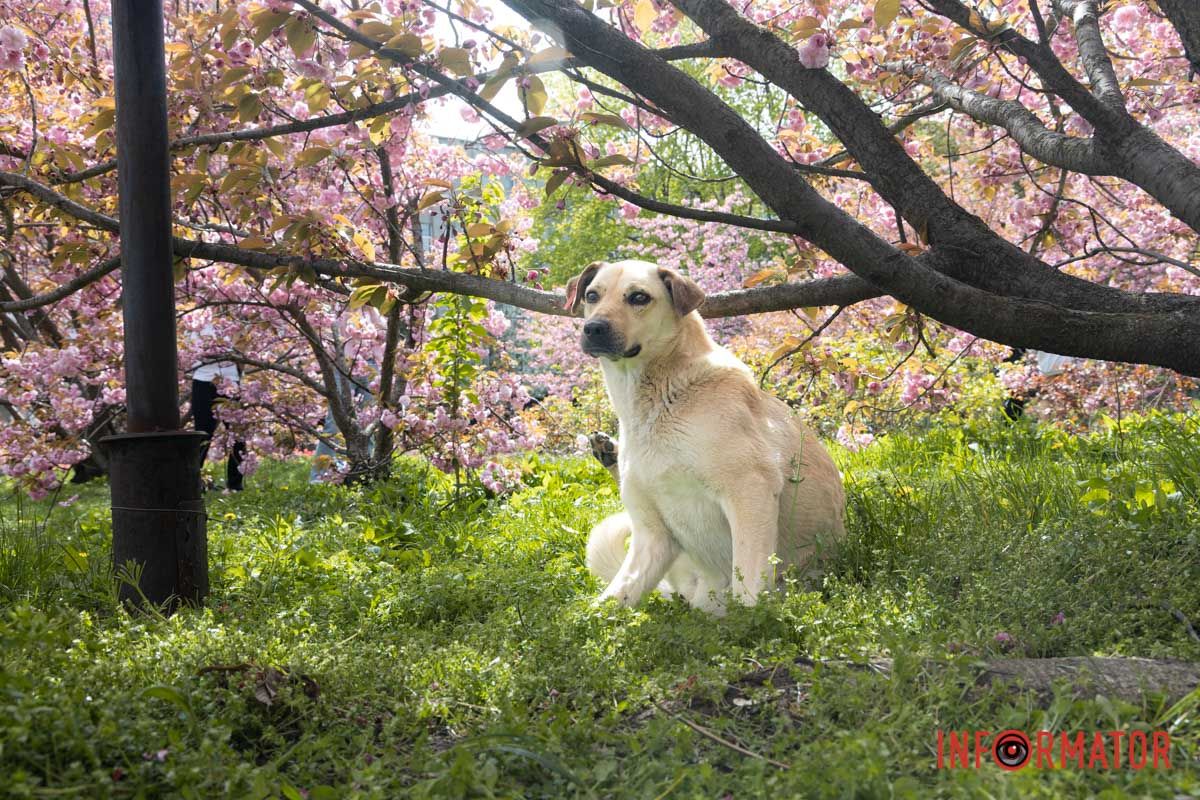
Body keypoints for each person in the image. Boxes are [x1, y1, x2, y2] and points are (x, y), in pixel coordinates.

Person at [191, 357, 246, 492]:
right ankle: (193, 483)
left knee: (237, 434)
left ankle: (235, 485)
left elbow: (241, 349)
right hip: (202, 380)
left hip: (230, 380)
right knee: (202, 433)